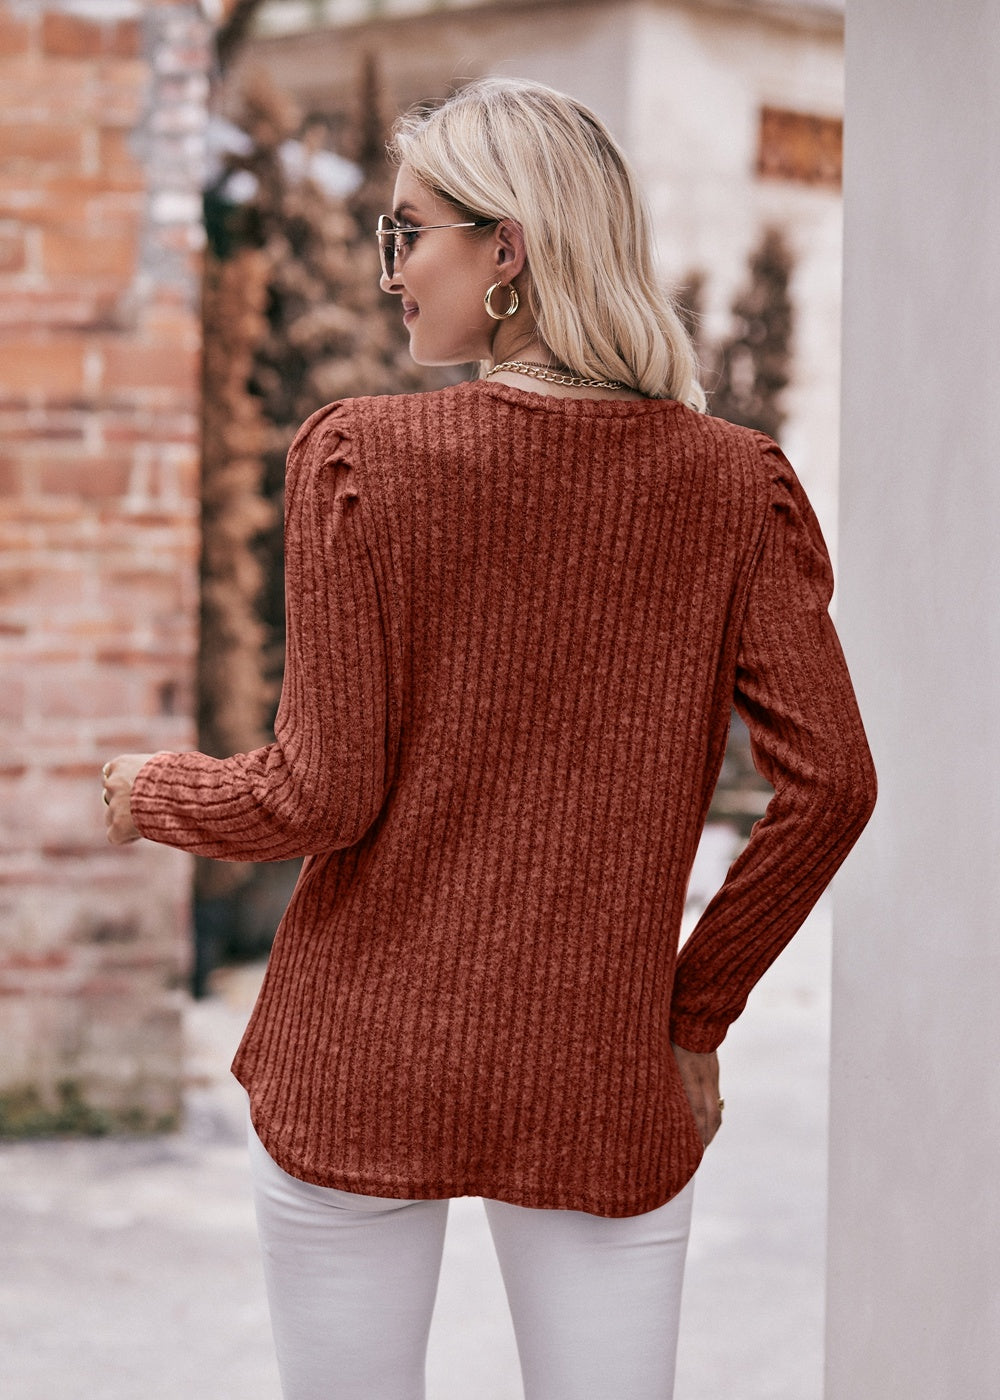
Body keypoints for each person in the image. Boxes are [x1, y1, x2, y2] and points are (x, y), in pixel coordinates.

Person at [103, 78, 876, 1400]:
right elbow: (834, 788)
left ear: (505, 247)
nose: (390, 269)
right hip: (602, 1074)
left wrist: (149, 791)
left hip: (359, 1064)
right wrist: (690, 1021)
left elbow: (317, 794)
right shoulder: (732, 485)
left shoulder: (361, 458)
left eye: (409, 233)